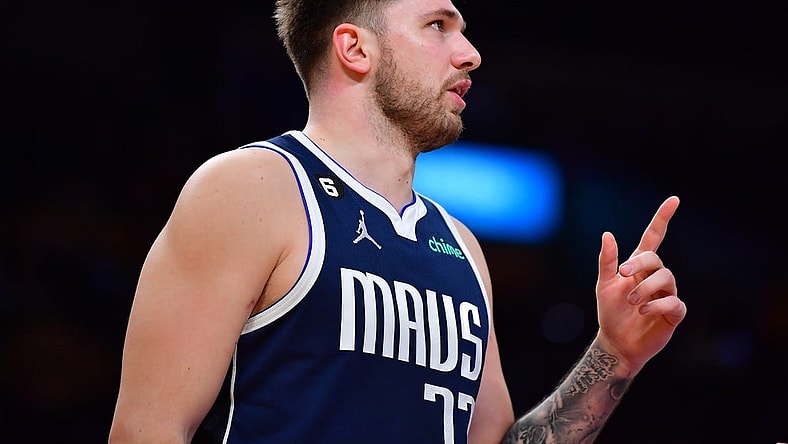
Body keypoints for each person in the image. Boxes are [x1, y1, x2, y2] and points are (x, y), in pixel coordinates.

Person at [108, 0, 687, 442]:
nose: (470, 53)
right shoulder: (251, 188)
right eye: (438, 26)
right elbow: (145, 432)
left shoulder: (462, 248)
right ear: (355, 48)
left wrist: (614, 352)